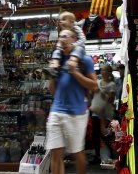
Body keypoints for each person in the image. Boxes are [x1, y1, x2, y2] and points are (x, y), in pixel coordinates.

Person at [47, 29, 97, 174]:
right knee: (55, 153)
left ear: (74, 39)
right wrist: (52, 73)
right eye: (60, 36)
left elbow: (94, 86)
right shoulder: (57, 59)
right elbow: (52, 91)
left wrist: (74, 71)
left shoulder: (84, 60)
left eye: (65, 36)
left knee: (77, 153)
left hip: (76, 113)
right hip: (56, 111)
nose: (61, 39)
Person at [45, 11, 86, 77]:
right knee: (56, 51)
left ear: (71, 21)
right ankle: (54, 65)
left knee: (78, 49)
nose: (60, 21)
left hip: (77, 48)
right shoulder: (62, 31)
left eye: (63, 19)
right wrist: (59, 46)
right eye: (60, 20)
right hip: (66, 49)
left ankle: (72, 63)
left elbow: (83, 39)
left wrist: (73, 45)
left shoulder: (76, 28)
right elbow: (60, 41)